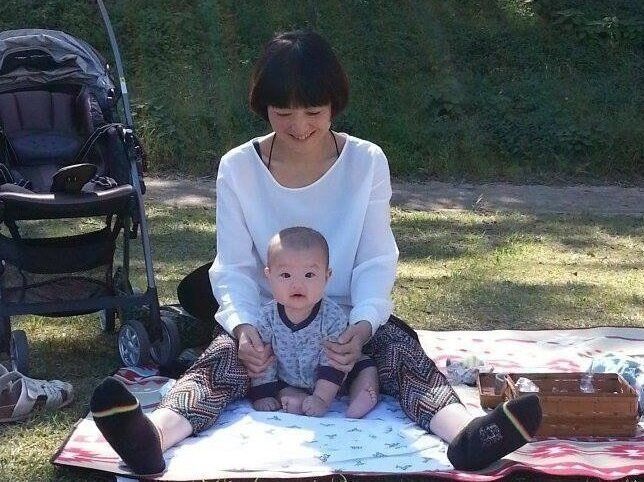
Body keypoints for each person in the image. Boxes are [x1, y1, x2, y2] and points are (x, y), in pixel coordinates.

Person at [90, 29, 542, 477]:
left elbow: (375, 259)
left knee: (400, 352)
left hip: (345, 323)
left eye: (313, 112)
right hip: (269, 320)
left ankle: (466, 435)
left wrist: (362, 327)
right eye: (283, 112)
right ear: (263, 107)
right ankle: (153, 437)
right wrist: (244, 328)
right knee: (222, 359)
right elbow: (234, 268)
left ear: (334, 106)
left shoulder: (366, 161)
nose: (299, 127)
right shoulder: (238, 167)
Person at [251, 226, 379, 418]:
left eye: (309, 275)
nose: (297, 285)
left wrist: (322, 398)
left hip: (335, 379)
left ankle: (363, 393)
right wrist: (263, 393)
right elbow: (263, 360)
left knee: (363, 365)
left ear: (326, 277)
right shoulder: (267, 317)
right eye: (286, 275)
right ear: (268, 276)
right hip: (288, 378)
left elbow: (334, 360)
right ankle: (296, 399)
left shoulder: (332, 317)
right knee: (280, 385)